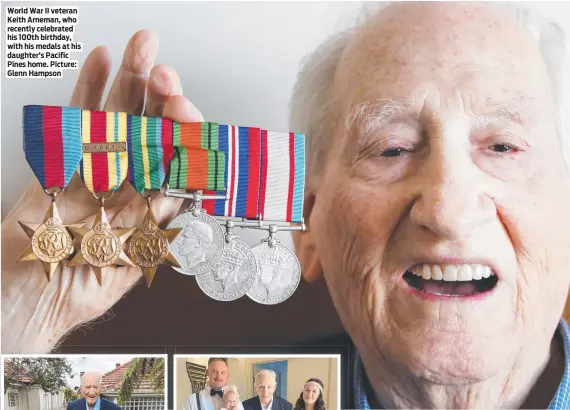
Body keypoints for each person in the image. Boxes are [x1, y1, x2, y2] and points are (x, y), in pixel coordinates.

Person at [3, 1, 570, 408]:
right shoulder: (235, 393)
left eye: (503, 146)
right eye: (391, 148)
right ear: (308, 228)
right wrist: (21, 312)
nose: (447, 207)